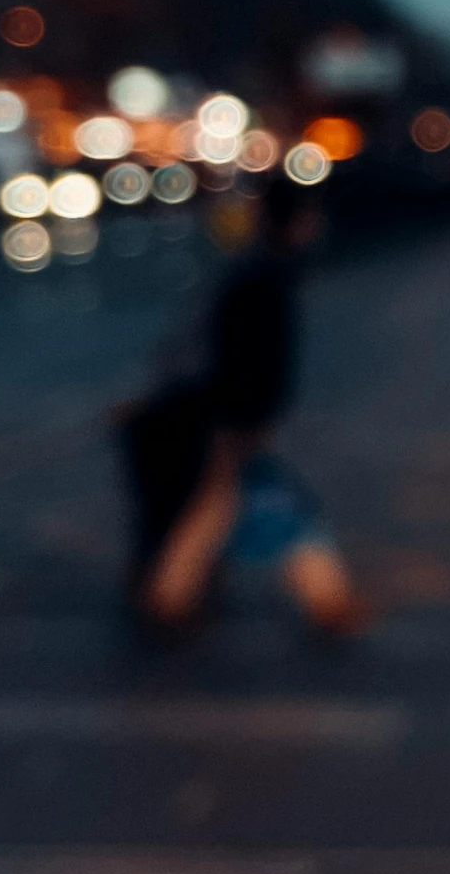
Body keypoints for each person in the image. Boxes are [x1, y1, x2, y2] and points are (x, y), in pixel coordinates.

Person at [121, 180, 365, 636]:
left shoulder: (252, 273)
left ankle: (170, 596)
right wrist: (240, 428)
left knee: (226, 509)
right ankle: (170, 599)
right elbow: (242, 365)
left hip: (212, 418)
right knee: (239, 508)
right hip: (222, 422)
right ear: (296, 223)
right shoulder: (263, 280)